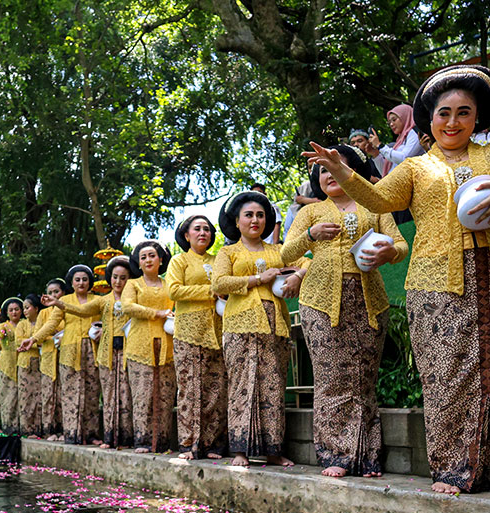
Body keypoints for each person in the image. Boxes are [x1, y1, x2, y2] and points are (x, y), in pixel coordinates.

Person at [305, 64, 490, 496]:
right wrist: (342, 171)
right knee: (446, 373)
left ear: (477, 117)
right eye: (444, 113)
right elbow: (378, 197)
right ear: (430, 119)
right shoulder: (416, 168)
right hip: (436, 284)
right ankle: (455, 469)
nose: (453, 122)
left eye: (463, 112)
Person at [282, 145, 409, 478]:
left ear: (351, 172)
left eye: (336, 167)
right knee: (330, 378)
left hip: (370, 300)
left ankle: (367, 456)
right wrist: (310, 235)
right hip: (320, 302)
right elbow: (285, 254)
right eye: (323, 170)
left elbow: (400, 244)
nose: (329, 175)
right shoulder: (310, 213)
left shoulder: (374, 205)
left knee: (364, 378)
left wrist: (389, 253)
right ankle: (335, 453)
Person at [211, 191, 295, 467]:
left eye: (260, 215)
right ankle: (240, 450)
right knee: (241, 385)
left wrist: (298, 275)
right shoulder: (228, 252)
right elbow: (219, 283)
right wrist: (259, 278)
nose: (255, 220)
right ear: (237, 222)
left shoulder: (277, 250)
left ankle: (273, 450)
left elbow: (304, 262)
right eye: (248, 215)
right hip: (240, 326)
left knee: (274, 385)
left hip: (275, 325)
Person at [166, 216, 227, 460]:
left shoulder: (218, 260)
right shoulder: (178, 261)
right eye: (197, 229)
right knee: (190, 388)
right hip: (188, 333)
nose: (203, 233)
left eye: (207, 229)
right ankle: (189, 443)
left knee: (216, 389)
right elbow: (174, 290)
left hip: (218, 330)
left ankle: (212, 445)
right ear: (186, 235)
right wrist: (211, 290)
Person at [29, 266, 102, 445]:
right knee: (70, 391)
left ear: (90, 282)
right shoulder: (64, 300)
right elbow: (52, 324)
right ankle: (71, 432)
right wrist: (34, 338)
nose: (81, 283)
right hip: (69, 349)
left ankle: (91, 434)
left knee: (92, 390)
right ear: (72, 283)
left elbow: (104, 321)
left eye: (85, 279)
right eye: (77, 280)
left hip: (92, 347)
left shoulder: (98, 300)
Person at [121, 241, 176, 454]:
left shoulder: (169, 284)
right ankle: (143, 440)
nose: (148, 260)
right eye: (143, 257)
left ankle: (162, 442)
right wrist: (157, 313)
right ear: (138, 263)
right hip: (140, 346)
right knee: (142, 394)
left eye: (152, 255)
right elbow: (128, 306)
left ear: (160, 260)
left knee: (165, 394)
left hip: (167, 343)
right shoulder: (132, 284)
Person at [29, 278, 68, 440]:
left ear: (63, 293)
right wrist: (52, 335)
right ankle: (49, 430)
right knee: (48, 393)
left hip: (65, 354)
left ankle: (65, 430)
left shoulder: (68, 309)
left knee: (64, 393)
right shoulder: (43, 313)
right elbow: (37, 334)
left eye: (56, 292)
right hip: (48, 355)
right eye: (50, 292)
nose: (53, 295)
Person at [15, 295, 44, 437]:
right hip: (25, 364)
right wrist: (35, 343)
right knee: (25, 396)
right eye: (24, 308)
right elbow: (18, 341)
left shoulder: (43, 322)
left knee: (39, 395)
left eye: (27, 307)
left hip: (40, 363)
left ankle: (38, 428)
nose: (25, 311)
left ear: (36, 308)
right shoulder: (21, 324)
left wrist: (30, 343)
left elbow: (45, 338)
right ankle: (26, 429)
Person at [370, 104, 425, 176]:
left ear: (405, 117)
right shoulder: (400, 140)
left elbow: (405, 159)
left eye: (394, 120)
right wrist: (375, 154)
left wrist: (380, 146)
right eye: (389, 122)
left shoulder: (414, 132)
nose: (391, 124)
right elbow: (386, 173)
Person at [0, 297, 23, 434]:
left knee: (21, 395)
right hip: (6, 362)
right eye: (11, 310)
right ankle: (8, 425)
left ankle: (21, 425)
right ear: (6, 313)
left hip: (22, 361)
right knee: (8, 395)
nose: (14, 312)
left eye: (17, 309)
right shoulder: (3, 326)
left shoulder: (25, 324)